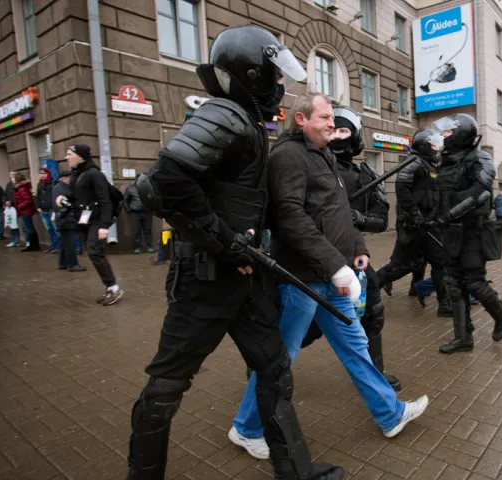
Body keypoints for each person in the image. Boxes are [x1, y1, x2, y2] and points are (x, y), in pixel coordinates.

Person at [126, 28, 342, 480]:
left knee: (275, 368)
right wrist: (224, 242)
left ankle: (295, 471)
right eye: (273, 76)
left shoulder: (244, 119)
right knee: (166, 386)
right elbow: (164, 182)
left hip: (245, 276)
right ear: (252, 74)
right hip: (205, 282)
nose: (279, 87)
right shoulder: (224, 112)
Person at [231, 92, 428, 459]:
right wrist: (336, 265)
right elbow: (290, 217)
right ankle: (246, 428)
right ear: (301, 119)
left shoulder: (321, 154)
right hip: (303, 279)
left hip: (330, 275)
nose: (332, 125)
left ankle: (390, 414)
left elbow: (338, 211)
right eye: (324, 117)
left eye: (333, 119)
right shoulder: (287, 156)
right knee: (280, 357)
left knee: (356, 347)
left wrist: (358, 249)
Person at [299, 105, 402, 390]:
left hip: (353, 256)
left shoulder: (364, 173)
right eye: (334, 128)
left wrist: (354, 217)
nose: (338, 135)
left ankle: (374, 374)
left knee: (372, 311)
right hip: (316, 257)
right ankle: (269, 362)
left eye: (345, 130)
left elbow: (380, 220)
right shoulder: (310, 165)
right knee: (308, 325)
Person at [430, 113, 502, 354]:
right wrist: (434, 217)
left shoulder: (480, 159)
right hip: (450, 232)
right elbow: (442, 195)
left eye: (448, 132)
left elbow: (480, 194)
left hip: (472, 231)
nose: (445, 137)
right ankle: (463, 337)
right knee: (452, 283)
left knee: (474, 283)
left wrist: (451, 214)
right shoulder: (446, 161)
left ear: (461, 133)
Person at [377, 128, 450, 318]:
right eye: (433, 144)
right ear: (424, 145)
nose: (437, 148)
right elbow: (402, 189)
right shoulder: (413, 163)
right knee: (403, 265)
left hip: (429, 223)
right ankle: (372, 285)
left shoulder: (432, 165)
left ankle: (444, 304)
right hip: (413, 224)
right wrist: (416, 215)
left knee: (438, 261)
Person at [55, 144, 123, 305]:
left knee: (94, 252)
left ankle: (114, 288)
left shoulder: (94, 174)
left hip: (98, 220)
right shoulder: (76, 174)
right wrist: (63, 199)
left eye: (69, 154)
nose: (66, 157)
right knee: (93, 252)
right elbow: (77, 197)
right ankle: (109, 288)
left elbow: (105, 200)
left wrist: (105, 226)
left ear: (81, 156)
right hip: (85, 220)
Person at [52, 171, 85, 272]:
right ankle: (72, 264)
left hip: (64, 218)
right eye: (70, 178)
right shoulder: (61, 188)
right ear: (64, 178)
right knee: (70, 242)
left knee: (64, 242)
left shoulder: (59, 187)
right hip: (66, 219)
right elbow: (63, 204)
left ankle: (63, 263)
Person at [123, 183, 154, 254]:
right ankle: (137, 247)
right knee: (136, 231)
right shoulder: (130, 189)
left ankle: (149, 247)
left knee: (148, 230)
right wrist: (129, 210)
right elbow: (125, 201)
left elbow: (152, 199)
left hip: (147, 213)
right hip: (135, 213)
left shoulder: (148, 189)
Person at [13, 173, 41, 252]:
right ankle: (33, 245)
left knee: (29, 228)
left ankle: (33, 245)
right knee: (28, 228)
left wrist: (19, 206)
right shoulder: (20, 188)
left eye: (13, 178)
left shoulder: (22, 189)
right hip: (24, 211)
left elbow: (28, 199)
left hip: (25, 211)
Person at [36, 168, 60, 253]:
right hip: (43, 210)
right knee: (49, 230)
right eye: (40, 173)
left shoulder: (54, 183)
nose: (42, 175)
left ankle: (59, 246)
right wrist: (38, 206)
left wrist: (54, 207)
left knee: (56, 229)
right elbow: (38, 196)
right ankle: (53, 245)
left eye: (44, 173)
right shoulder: (39, 184)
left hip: (51, 210)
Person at [3, 169, 21, 247]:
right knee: (10, 223)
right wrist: (5, 201)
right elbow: (4, 194)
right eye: (11, 174)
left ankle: (17, 240)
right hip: (9, 208)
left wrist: (12, 202)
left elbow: (19, 196)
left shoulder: (19, 184)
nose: (12, 176)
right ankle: (13, 240)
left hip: (16, 207)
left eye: (14, 174)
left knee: (15, 224)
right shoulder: (9, 184)